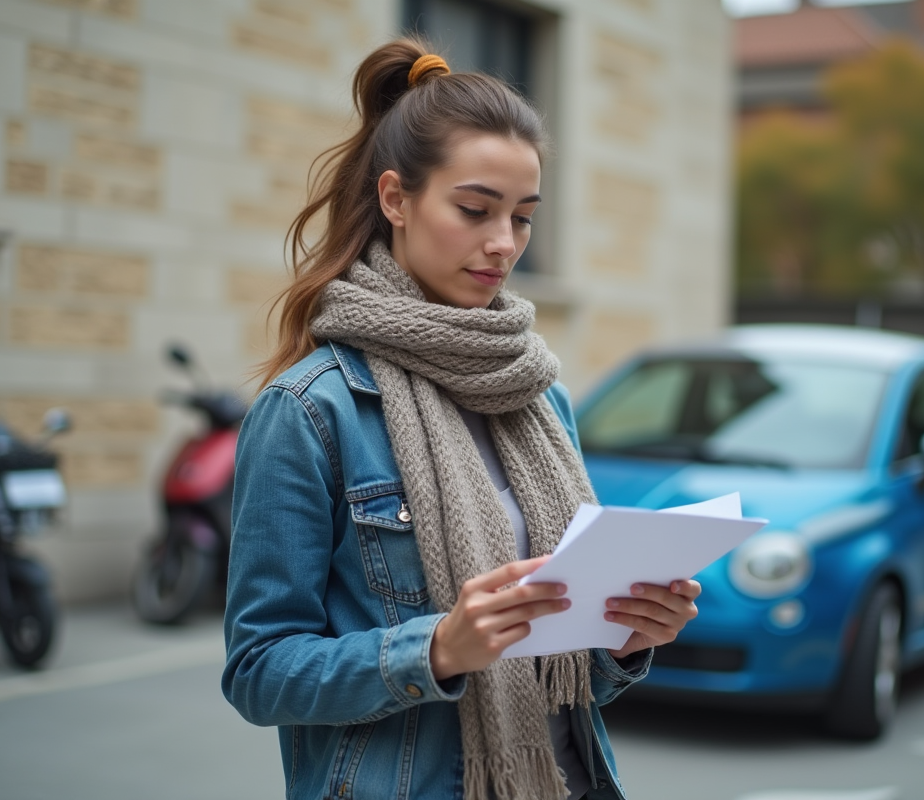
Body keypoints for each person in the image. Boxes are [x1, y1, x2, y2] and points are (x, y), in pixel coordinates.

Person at [221, 38, 702, 800]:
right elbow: (257, 671)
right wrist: (437, 649)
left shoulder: (541, 397)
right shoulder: (311, 411)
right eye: (475, 210)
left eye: (523, 217)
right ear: (395, 199)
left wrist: (625, 639)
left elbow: (568, 680)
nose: (503, 243)